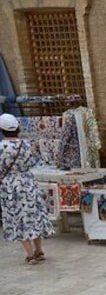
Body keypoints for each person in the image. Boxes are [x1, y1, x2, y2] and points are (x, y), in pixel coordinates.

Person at [0, 113, 54, 265]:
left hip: (11, 186)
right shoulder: (26, 144)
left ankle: (30, 255)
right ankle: (39, 250)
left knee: (18, 217)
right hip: (28, 181)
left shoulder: (1, 147)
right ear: (17, 128)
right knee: (33, 214)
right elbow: (33, 161)